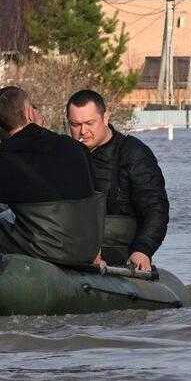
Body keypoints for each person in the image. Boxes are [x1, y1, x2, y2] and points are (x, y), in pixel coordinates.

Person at [0, 86, 104, 267]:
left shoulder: (0, 165)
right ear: (29, 113)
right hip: (88, 249)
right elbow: (95, 197)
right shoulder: (76, 148)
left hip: (46, 251)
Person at [66, 89, 169, 273]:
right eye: (75, 124)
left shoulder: (134, 153)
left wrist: (143, 250)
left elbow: (155, 209)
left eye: (89, 123)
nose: (83, 131)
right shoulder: (63, 155)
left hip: (121, 251)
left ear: (105, 118)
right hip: (75, 250)